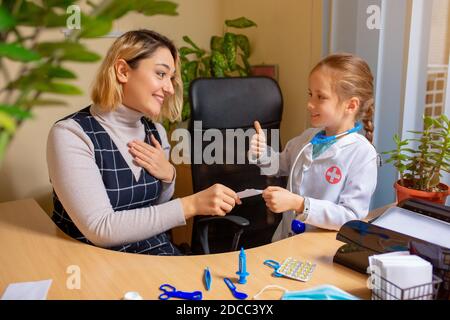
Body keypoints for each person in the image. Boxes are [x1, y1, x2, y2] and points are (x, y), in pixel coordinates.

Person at [47, 29, 241, 255]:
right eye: (161, 74)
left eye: (171, 78)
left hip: (155, 252)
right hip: (95, 263)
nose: (169, 88)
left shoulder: (155, 132)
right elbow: (100, 228)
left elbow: (156, 211)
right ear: (122, 71)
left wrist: (169, 176)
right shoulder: (71, 134)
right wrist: (191, 205)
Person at [250, 53, 378, 241]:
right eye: (310, 94)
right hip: (285, 240)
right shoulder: (308, 138)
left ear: (350, 105)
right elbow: (278, 165)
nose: (310, 104)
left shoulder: (362, 155)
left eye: (321, 97)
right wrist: (261, 152)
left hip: (319, 249)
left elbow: (351, 217)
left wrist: (300, 204)